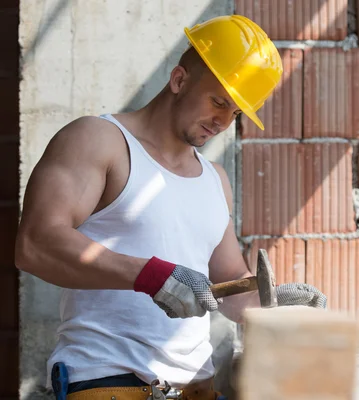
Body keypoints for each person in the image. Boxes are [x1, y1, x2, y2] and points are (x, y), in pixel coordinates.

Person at [14, 15, 326, 400]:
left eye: (236, 112)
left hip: (199, 388)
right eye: (218, 102)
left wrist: (268, 302)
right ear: (179, 80)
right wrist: (150, 274)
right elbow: (35, 244)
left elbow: (227, 285)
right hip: (109, 382)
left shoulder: (214, 179)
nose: (223, 121)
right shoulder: (99, 141)